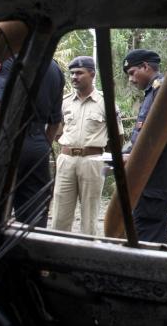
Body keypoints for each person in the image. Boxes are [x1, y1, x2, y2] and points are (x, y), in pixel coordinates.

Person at [0, 57, 66, 228]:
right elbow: (56, 122)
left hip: (9, 141)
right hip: (39, 146)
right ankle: (29, 252)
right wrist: (42, 144)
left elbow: (0, 107)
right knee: (34, 216)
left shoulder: (13, 60)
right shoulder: (55, 70)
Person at [51, 56, 123, 235]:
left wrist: (101, 157)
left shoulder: (106, 102)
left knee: (90, 214)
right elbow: (57, 132)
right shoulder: (65, 102)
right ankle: (57, 254)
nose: (74, 77)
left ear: (92, 74)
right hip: (66, 159)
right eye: (72, 73)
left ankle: (85, 254)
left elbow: (117, 138)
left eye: (79, 73)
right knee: (60, 213)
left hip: (93, 161)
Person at [123, 49, 167, 243]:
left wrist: (135, 156)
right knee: (144, 226)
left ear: (145, 67)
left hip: (159, 170)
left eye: (132, 73)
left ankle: (144, 271)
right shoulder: (153, 92)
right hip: (152, 170)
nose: (131, 80)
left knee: (147, 231)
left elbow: (165, 134)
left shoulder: (162, 90)